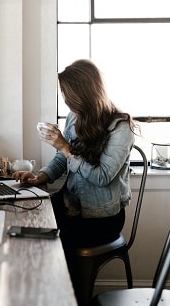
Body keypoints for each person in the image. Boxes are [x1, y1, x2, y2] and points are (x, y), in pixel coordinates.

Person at [13, 59, 138, 272]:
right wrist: (40, 177)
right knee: (25, 223)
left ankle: (69, 299)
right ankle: (39, 293)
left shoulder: (121, 127)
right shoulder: (74, 118)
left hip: (101, 218)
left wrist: (64, 147)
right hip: (71, 205)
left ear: (84, 94)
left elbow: (102, 177)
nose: (66, 101)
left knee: (49, 242)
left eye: (68, 95)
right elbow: (62, 159)